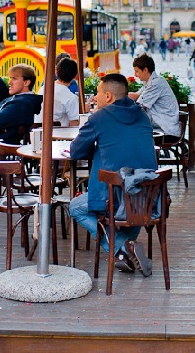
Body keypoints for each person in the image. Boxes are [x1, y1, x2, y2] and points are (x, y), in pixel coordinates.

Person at [69, 73, 159, 276]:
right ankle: (125, 253)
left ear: (108, 96)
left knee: (75, 208)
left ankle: (123, 248)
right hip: (147, 197)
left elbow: (75, 152)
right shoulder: (142, 115)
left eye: (98, 93)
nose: (95, 98)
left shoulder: (99, 118)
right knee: (129, 211)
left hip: (116, 196)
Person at [128, 54, 181, 137]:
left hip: (166, 130)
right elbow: (136, 95)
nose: (135, 75)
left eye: (137, 71)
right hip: (158, 126)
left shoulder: (155, 83)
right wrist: (118, 95)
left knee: (131, 133)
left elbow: (139, 106)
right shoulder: (151, 82)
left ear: (145, 70)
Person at [34, 57, 80, 127]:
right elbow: (74, 125)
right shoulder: (71, 98)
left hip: (37, 134)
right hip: (60, 136)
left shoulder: (43, 89)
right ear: (75, 76)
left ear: (56, 72)